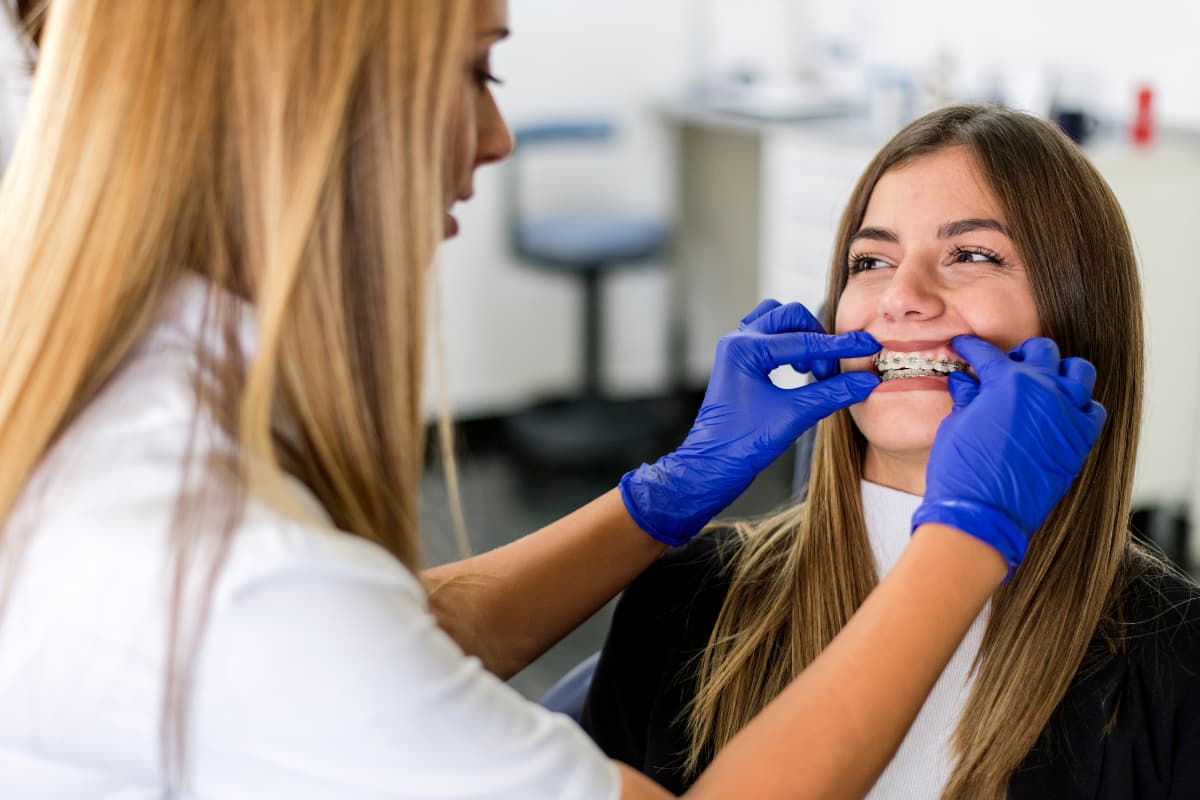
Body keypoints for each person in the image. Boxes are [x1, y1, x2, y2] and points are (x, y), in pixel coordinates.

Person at [0, 3, 1105, 798]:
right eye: (480, 69)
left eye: (968, 254)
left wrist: (659, 497)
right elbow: (312, 632)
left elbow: (397, 635)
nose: (496, 137)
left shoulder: (147, 436)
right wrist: (966, 539)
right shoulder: (232, 563)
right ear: (304, 96)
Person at [581, 104, 1200, 799]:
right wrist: (664, 493)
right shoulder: (684, 600)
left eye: (971, 255)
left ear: (1081, 319)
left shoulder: (1177, 660)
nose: (901, 298)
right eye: (870, 261)